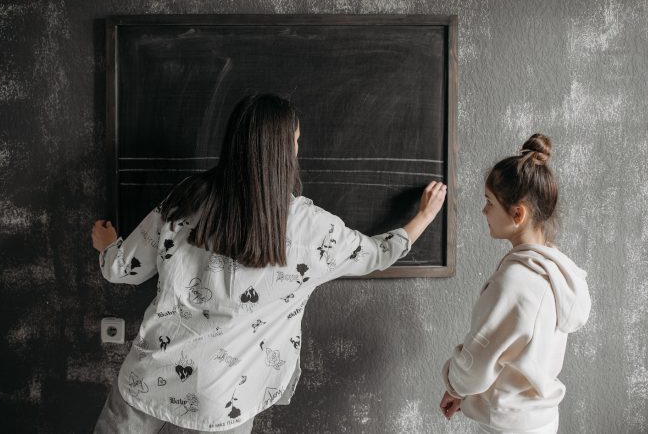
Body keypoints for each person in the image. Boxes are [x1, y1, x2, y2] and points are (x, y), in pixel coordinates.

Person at [92, 94, 447, 433]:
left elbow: (123, 269)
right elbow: (375, 254)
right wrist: (423, 218)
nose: (297, 148)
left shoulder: (187, 198)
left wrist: (109, 246)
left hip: (151, 377)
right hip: (228, 394)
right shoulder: (310, 228)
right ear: (283, 151)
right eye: (296, 140)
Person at [439, 134, 591, 434]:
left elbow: (479, 357)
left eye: (489, 202)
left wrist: (454, 386)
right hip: (541, 421)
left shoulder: (517, 282)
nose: (484, 211)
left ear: (517, 214)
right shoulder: (556, 273)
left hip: (509, 426)